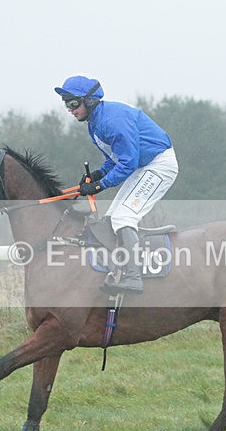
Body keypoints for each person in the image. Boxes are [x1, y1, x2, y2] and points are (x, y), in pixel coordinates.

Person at [54, 75, 179, 294]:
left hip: (159, 165)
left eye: (73, 103)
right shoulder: (94, 123)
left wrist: (99, 186)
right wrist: (98, 174)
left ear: (90, 100)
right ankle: (118, 271)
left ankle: (134, 277)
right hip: (143, 165)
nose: (70, 109)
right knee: (111, 220)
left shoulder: (111, 121)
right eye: (66, 103)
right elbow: (116, 158)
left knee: (123, 217)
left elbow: (128, 163)